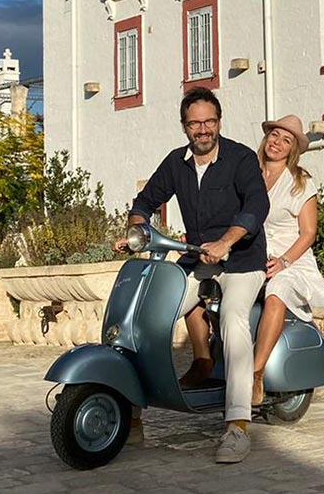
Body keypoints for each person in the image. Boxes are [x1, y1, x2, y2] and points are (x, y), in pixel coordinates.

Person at [120, 87, 269, 465]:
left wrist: (227, 241)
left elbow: (256, 205)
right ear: (184, 126)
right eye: (194, 124)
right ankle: (131, 415)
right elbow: (145, 201)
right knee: (149, 314)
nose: (203, 130)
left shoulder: (240, 159)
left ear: (219, 122)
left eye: (209, 122)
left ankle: (237, 425)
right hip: (198, 258)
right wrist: (136, 230)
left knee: (234, 321)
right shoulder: (176, 163)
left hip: (242, 261)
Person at [251, 115, 324, 405]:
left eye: (286, 140)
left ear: (293, 149)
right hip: (254, 255)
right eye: (274, 135)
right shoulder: (250, 173)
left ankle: (256, 374)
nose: (277, 143)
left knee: (277, 292)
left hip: (292, 261)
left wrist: (283, 262)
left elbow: (308, 233)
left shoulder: (300, 182)